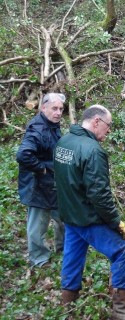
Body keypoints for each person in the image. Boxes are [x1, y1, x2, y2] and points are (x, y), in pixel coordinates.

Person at [54, 105, 125, 319]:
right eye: (108, 126)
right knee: (123, 252)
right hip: (87, 218)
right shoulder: (92, 150)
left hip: (69, 215)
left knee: (73, 255)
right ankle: (121, 309)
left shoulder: (64, 142)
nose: (108, 132)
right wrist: (115, 221)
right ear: (96, 121)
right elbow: (99, 194)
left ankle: (68, 299)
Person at [16, 93, 66, 268]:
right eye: (54, 108)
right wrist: (41, 168)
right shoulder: (38, 128)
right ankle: (39, 259)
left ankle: (62, 249)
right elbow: (23, 155)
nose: (58, 112)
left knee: (62, 216)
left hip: (52, 183)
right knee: (38, 224)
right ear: (43, 108)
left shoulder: (52, 125)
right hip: (37, 185)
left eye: (61, 109)